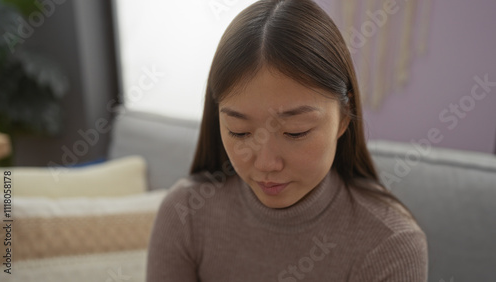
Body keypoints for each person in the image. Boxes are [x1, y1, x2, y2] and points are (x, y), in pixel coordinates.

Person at [146, 0, 428, 281]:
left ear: (343, 116)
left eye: (296, 132)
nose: (267, 163)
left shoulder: (390, 244)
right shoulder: (186, 215)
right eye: (239, 131)